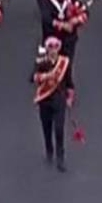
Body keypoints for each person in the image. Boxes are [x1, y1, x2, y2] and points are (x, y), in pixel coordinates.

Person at [32, 36, 74, 172]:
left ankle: (60, 157)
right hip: (45, 100)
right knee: (47, 127)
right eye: (50, 48)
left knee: (59, 128)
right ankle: (49, 148)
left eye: (56, 48)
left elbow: (69, 82)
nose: (53, 51)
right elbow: (32, 77)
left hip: (59, 100)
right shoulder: (41, 62)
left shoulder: (64, 63)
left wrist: (69, 98)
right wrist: (45, 76)